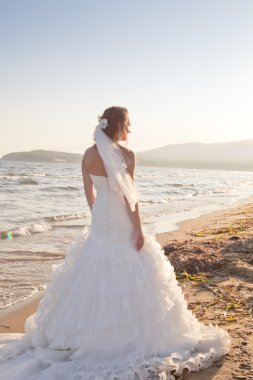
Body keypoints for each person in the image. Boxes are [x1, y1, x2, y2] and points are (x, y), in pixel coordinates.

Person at [0, 106, 231, 380]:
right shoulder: (128, 155)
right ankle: (127, 339)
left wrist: (97, 213)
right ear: (119, 125)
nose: (130, 130)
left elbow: (89, 191)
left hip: (100, 218)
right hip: (121, 217)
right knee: (132, 264)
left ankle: (86, 335)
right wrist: (138, 228)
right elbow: (130, 198)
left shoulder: (87, 154)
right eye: (128, 125)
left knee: (94, 266)